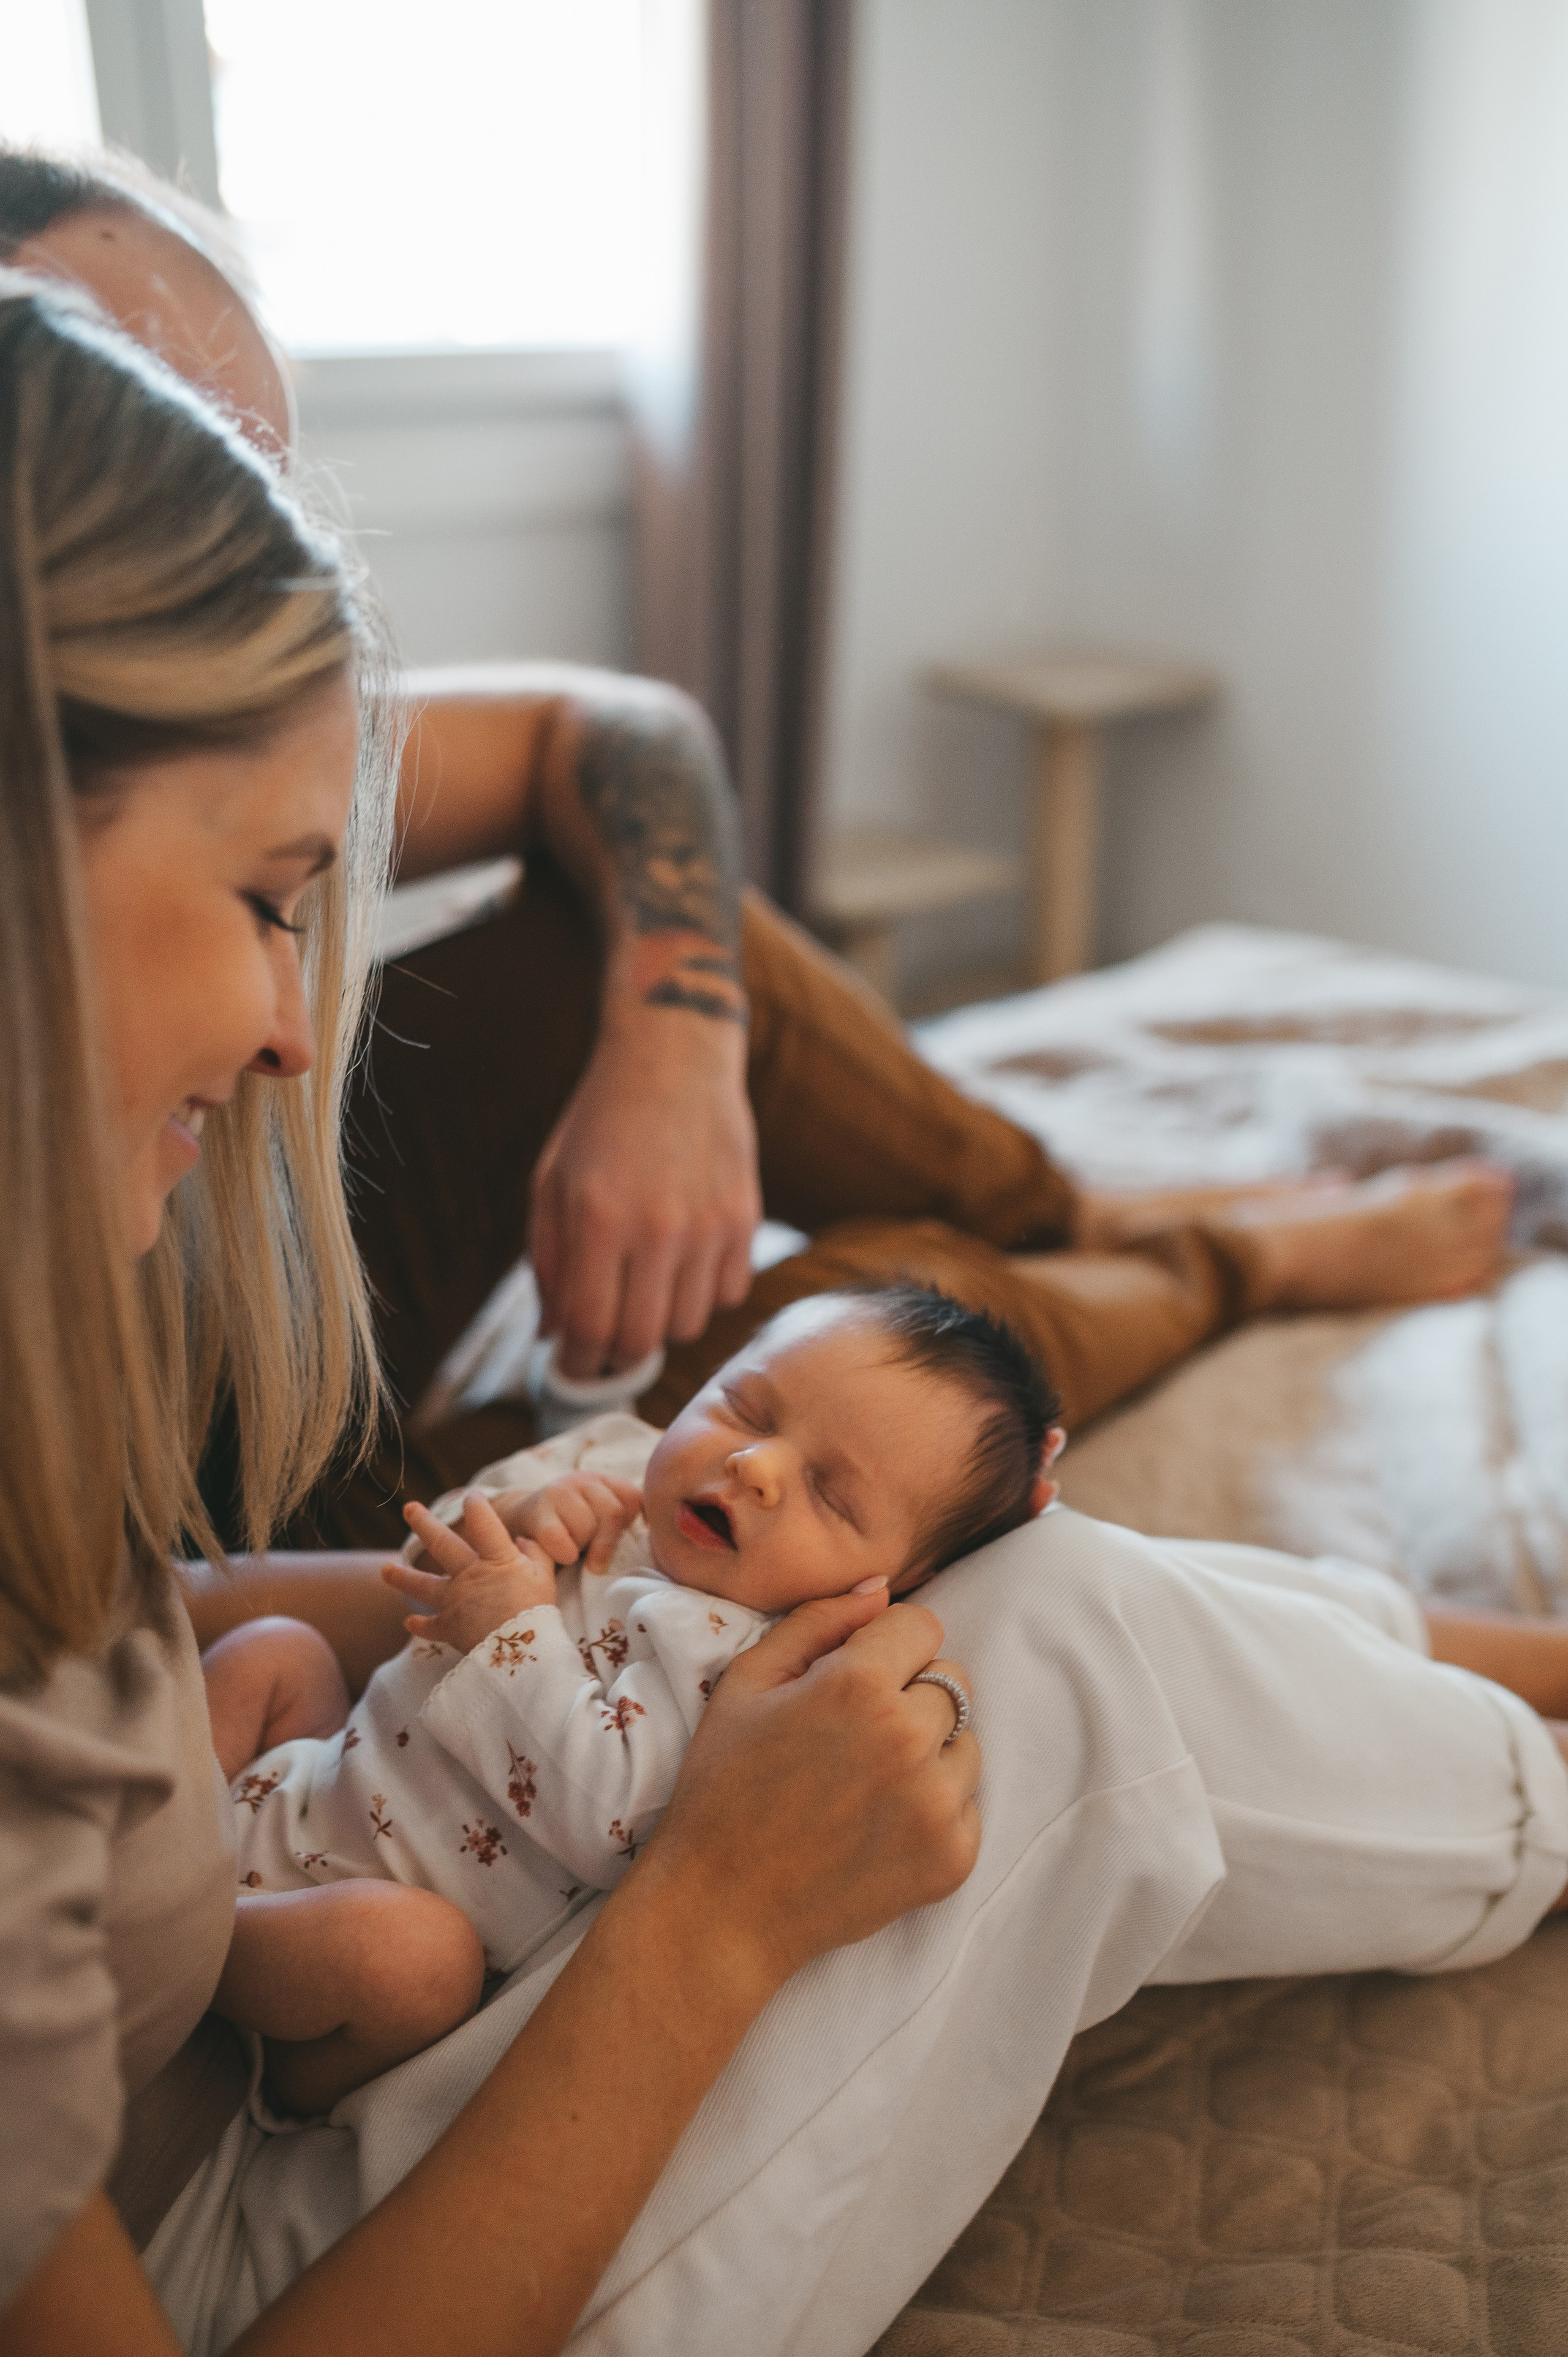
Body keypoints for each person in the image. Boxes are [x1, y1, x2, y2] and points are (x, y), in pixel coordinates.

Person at [4, 268, 1568, 2357]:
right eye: (276, 899)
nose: (309, 1029)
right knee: (1037, 1641)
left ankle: (1405, 1585)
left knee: (865, 1447)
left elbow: (611, 735)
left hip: (247, 1960)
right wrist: (721, 1912)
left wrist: (549, 1543)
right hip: (235, 2196)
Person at [0, 146, 1518, 1563]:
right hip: (193, 1485)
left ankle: (1084, 1219)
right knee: (826, 1372)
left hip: (243, 1300)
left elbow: (602, 727)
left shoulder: (220, 729)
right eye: (175, 476)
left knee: (633, 951)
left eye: (267, 497)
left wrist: (672, 1054)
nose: (265, 581)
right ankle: (1215, 1268)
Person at [205, 1289, 1061, 2113]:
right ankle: (145, 1847)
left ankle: (169, 1945)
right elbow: (414, 1586)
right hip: (302, 1781)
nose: (754, 1465)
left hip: (344, 1958)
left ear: (898, 1582)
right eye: (746, 1408)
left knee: (411, 1963)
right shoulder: (605, 1469)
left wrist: (512, 1629)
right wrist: (512, 1515)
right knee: (275, 1653)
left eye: (832, 1495)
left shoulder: (750, 1671)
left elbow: (603, 1822)